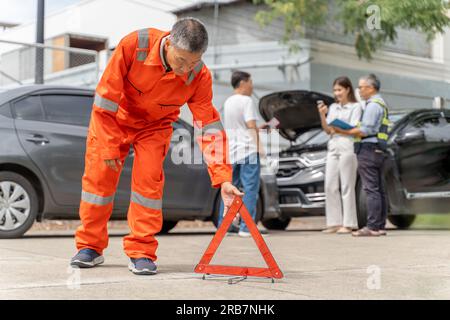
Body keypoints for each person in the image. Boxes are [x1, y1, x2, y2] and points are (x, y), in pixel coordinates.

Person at [70, 18, 243, 275]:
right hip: (114, 120)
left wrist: (222, 177)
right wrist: (108, 147)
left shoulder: (199, 74)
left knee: (148, 185)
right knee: (99, 182)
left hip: (155, 127)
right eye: (181, 61)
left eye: (194, 62)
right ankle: (90, 247)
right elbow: (105, 100)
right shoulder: (134, 46)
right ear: (169, 41)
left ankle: (141, 251)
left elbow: (208, 125)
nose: (186, 70)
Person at [331, 74, 389, 237]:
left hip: (368, 148)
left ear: (370, 88)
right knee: (378, 189)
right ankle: (379, 226)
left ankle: (372, 227)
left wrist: (345, 130)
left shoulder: (372, 106)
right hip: (378, 148)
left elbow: (366, 129)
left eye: (361, 87)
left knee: (371, 189)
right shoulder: (380, 103)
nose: (359, 90)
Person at [218, 71, 266, 237]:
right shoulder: (247, 101)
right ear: (243, 83)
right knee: (250, 188)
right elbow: (250, 125)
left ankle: (224, 227)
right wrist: (260, 147)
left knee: (230, 189)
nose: (252, 86)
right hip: (248, 150)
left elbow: (239, 127)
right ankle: (246, 228)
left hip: (233, 152)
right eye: (251, 82)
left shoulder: (228, 102)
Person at [318, 76, 362, 234]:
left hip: (348, 144)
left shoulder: (355, 107)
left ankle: (349, 223)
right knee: (330, 184)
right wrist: (322, 115)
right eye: (335, 90)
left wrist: (339, 129)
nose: (337, 93)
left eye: (339, 90)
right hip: (333, 144)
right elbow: (328, 130)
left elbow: (353, 128)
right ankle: (334, 222)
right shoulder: (333, 108)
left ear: (347, 89)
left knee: (347, 185)